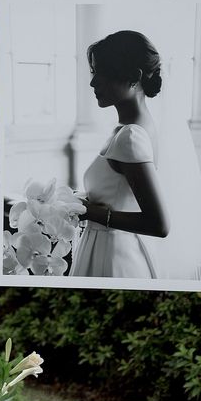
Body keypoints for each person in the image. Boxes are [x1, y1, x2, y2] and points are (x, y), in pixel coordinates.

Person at [70, 30, 169, 280]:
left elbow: (158, 224)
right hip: (115, 247)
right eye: (94, 73)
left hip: (114, 258)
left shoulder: (131, 136)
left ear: (134, 76)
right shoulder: (138, 128)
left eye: (101, 73)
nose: (93, 83)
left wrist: (88, 211)